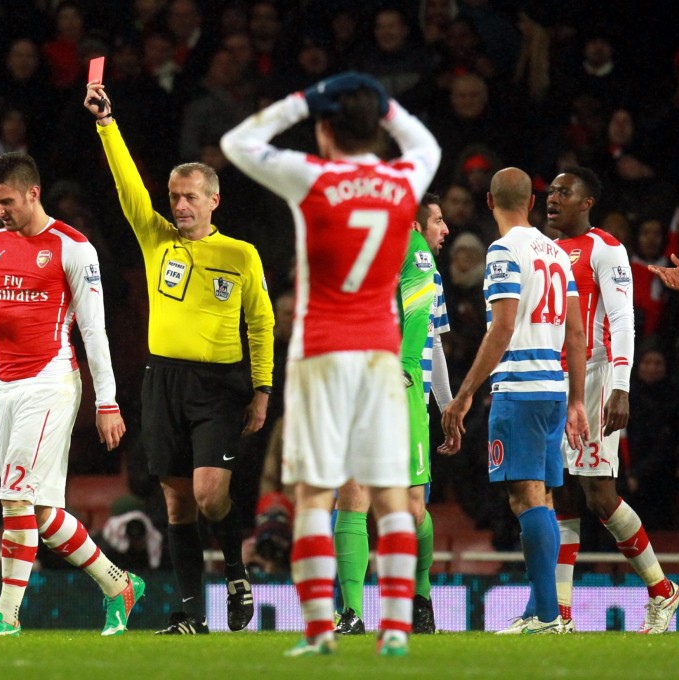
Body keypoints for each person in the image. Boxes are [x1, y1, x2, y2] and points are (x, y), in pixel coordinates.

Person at [222, 71, 440, 656]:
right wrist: (386, 102)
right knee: (392, 497)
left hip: (320, 353)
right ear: (378, 133)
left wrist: (302, 98)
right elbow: (427, 145)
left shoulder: (311, 178)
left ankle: (322, 629)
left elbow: (237, 144)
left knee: (317, 496)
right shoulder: (403, 180)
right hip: (379, 357)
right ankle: (395, 628)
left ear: (323, 130)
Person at [84, 81, 275, 636]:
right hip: (161, 381)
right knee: (176, 505)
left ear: (215, 199)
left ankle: (236, 572)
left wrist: (262, 389)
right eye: (175, 197)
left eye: (191, 196)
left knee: (211, 492)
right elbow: (128, 189)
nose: (180, 205)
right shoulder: (156, 240)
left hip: (219, 386)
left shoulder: (240, 255)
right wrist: (107, 125)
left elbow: (261, 322)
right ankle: (192, 614)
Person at [0, 151, 143, 637]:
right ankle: (119, 585)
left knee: (14, 499)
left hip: (50, 383)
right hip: (6, 388)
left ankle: (6, 615)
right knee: (44, 515)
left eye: (7, 201)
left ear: (33, 192)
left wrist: (106, 402)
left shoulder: (74, 248)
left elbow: (95, 331)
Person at [439, 167, 590, 635]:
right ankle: (538, 609)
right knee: (540, 497)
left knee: (524, 499)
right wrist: (578, 400)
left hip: (520, 389)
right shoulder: (555, 252)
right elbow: (577, 331)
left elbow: (502, 328)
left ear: (489, 202)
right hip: (553, 386)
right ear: (530, 202)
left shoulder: (503, 252)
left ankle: (549, 615)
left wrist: (464, 395)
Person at [538, 167, 679, 635]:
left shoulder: (607, 248)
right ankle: (559, 615)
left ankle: (663, 591)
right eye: (551, 190)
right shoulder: (547, 250)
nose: (553, 197)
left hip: (597, 376)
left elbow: (623, 319)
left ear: (587, 202)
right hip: (555, 378)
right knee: (561, 493)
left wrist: (621, 385)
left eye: (565, 191)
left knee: (600, 495)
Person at [332, 192, 452, 637]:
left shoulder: (414, 250)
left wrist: (444, 402)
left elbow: (428, 332)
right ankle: (351, 611)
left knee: (410, 509)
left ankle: (420, 596)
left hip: (401, 392)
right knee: (352, 496)